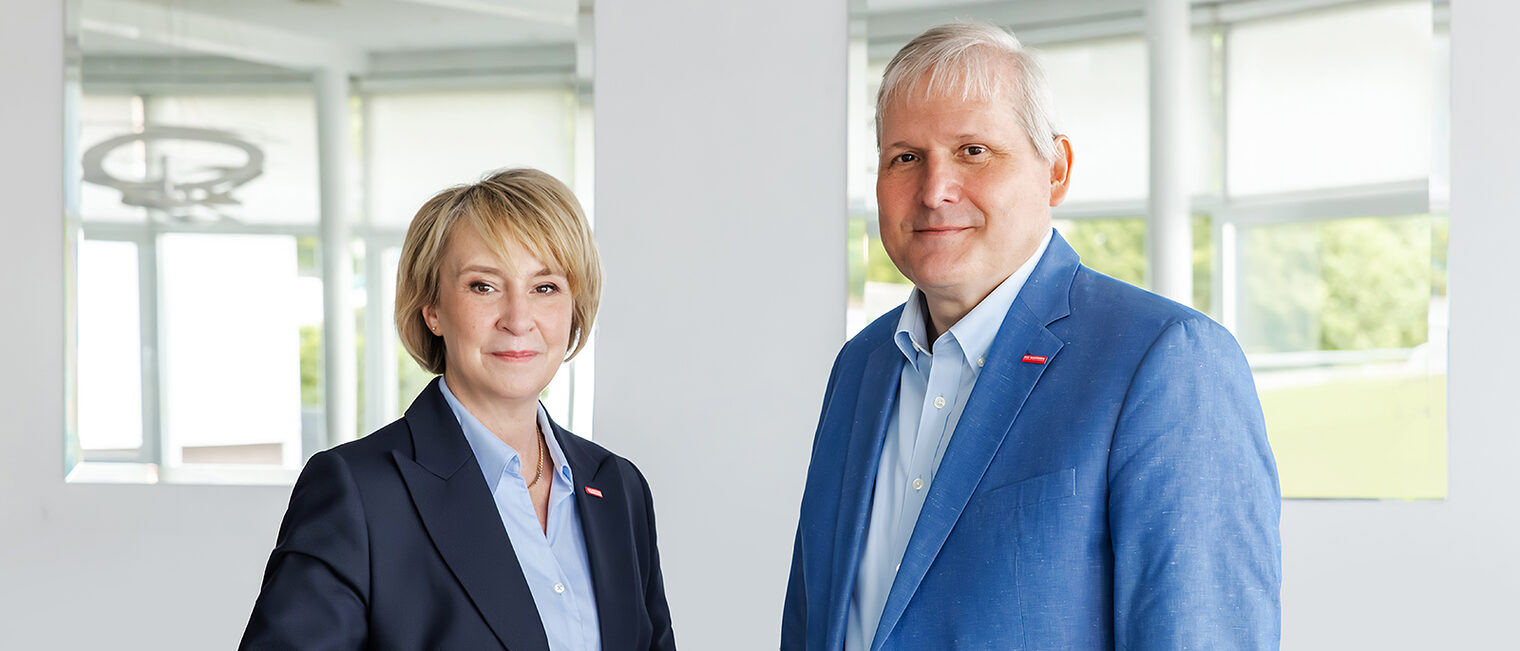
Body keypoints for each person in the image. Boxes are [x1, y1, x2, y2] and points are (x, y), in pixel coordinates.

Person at [782, 23, 1280, 650]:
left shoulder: (1168, 361)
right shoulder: (860, 368)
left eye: (974, 151)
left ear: (1057, 170)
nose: (935, 191)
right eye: (905, 157)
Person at [241, 168, 676, 651]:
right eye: (483, 286)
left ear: (575, 306)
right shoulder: (358, 493)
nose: (518, 319)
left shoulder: (619, 488)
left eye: (545, 287)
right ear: (433, 308)